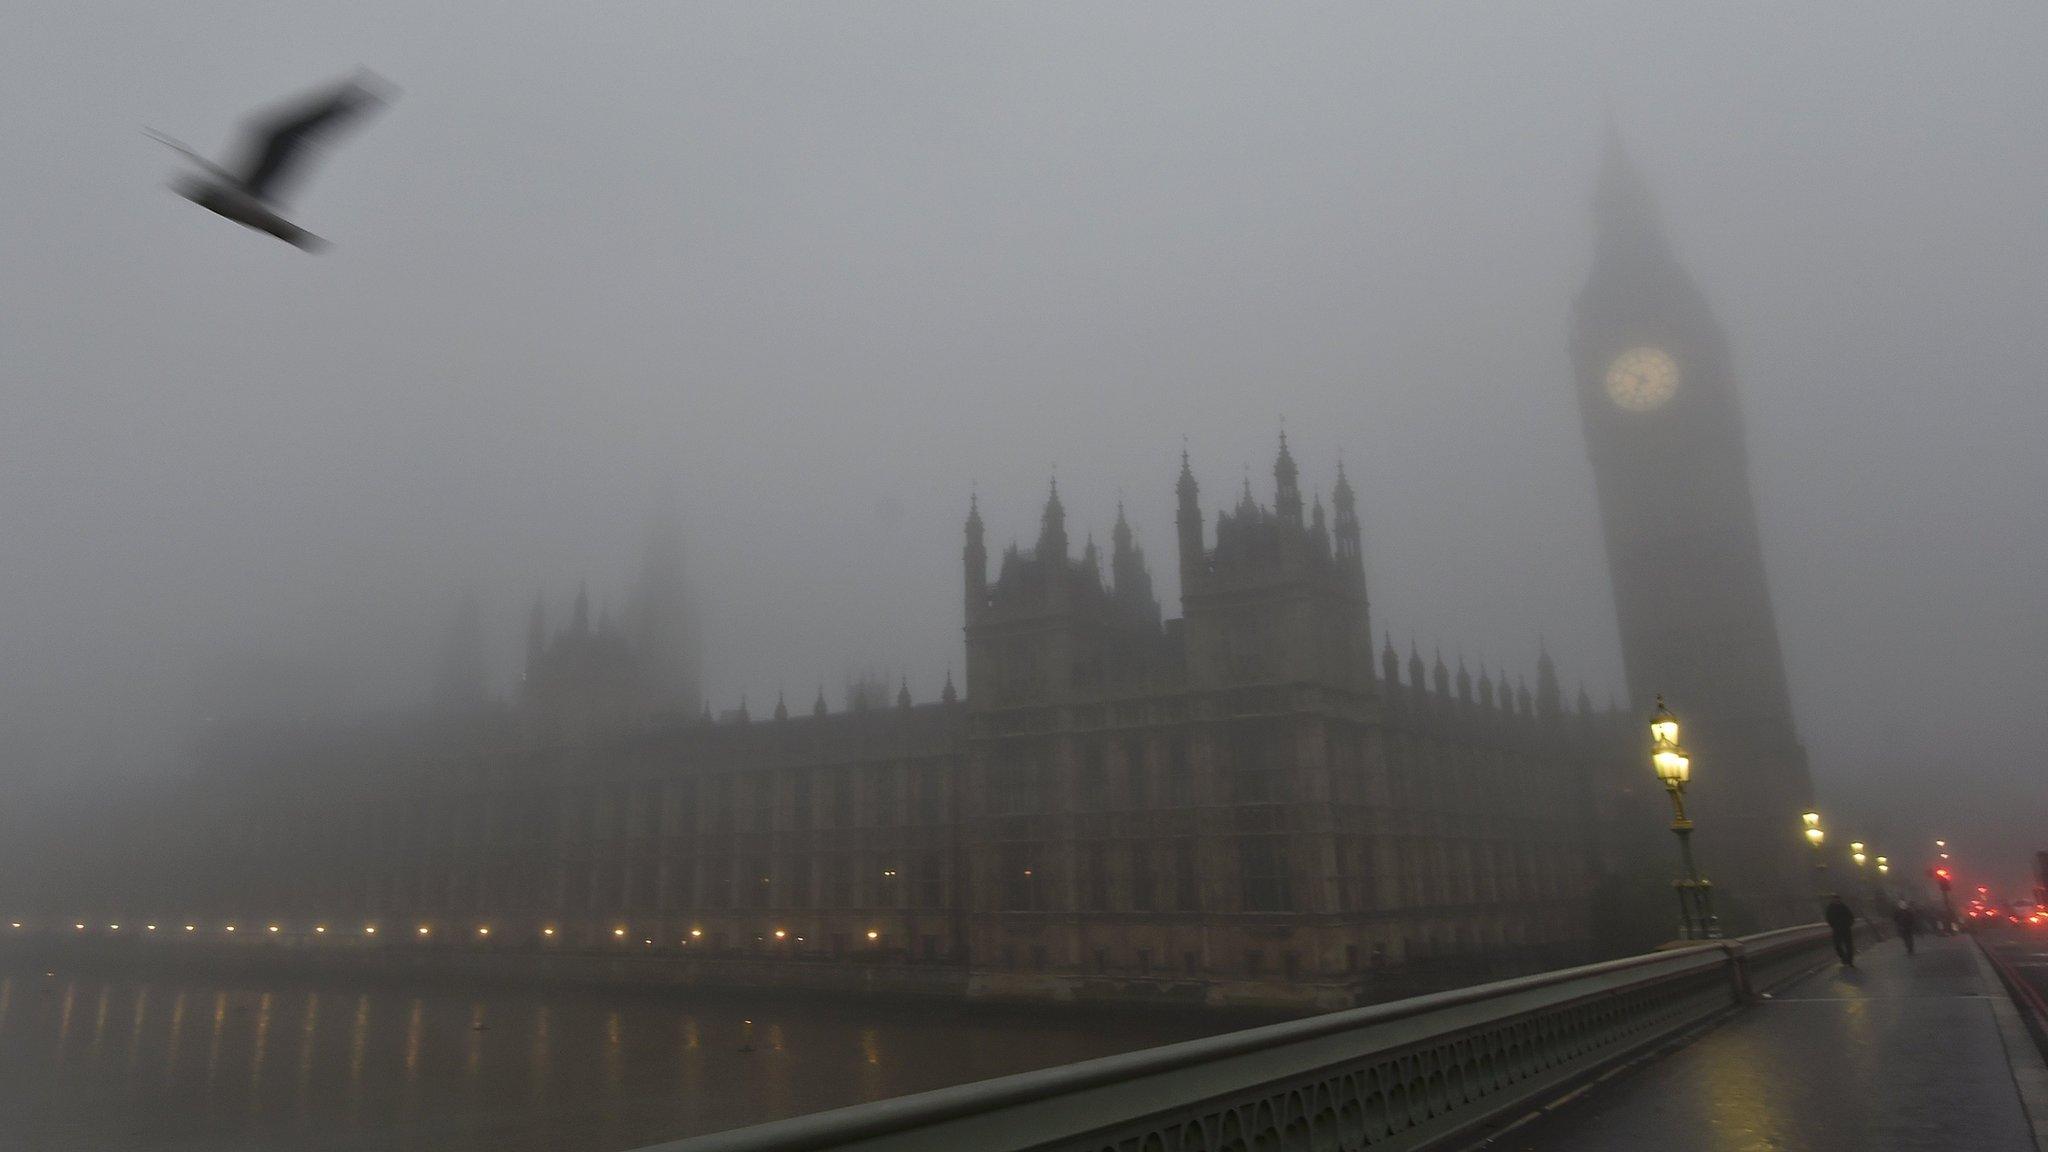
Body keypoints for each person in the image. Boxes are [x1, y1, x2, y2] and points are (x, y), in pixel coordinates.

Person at [1825, 894, 1856, 966]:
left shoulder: (1841, 907)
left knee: (1847, 945)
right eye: (1835, 899)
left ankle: (1848, 960)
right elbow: (1829, 918)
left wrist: (1848, 924)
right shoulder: (1833, 908)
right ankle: (1845, 958)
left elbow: (1851, 916)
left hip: (1843, 928)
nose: (1837, 900)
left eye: (1837, 899)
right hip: (1839, 928)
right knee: (1839, 945)